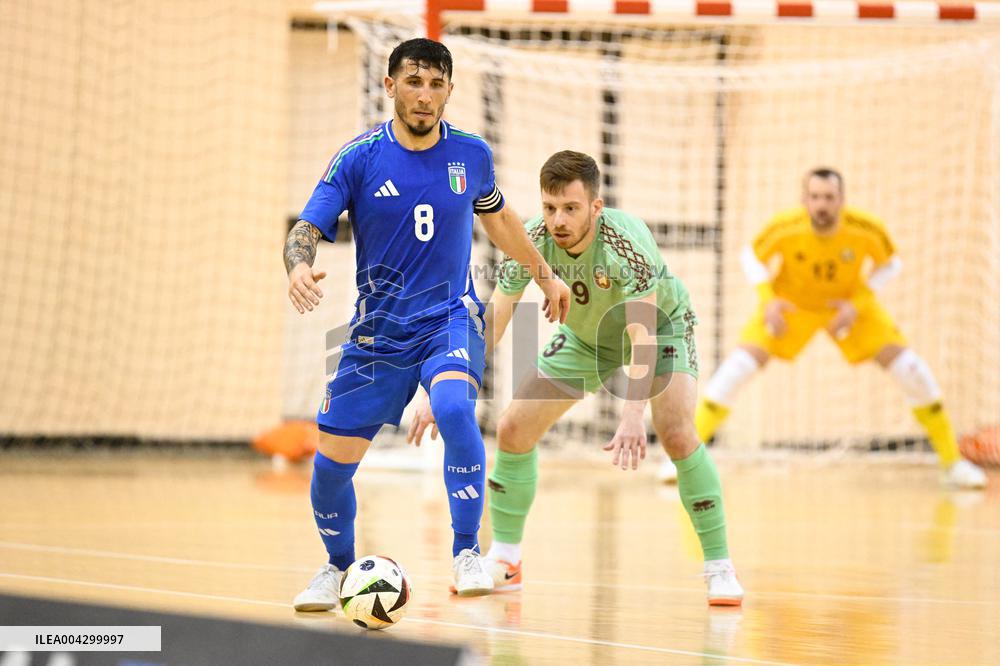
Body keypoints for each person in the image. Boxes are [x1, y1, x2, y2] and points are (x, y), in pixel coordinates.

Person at [284, 38, 571, 610]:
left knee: (457, 408)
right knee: (329, 468)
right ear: (390, 87)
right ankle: (338, 568)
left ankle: (468, 551)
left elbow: (502, 220)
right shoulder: (359, 157)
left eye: (436, 84)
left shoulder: (471, 155)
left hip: (449, 316)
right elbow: (307, 228)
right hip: (377, 334)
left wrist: (544, 274)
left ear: (449, 91)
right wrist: (298, 267)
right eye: (413, 82)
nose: (425, 95)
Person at [409, 150, 745, 606]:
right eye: (549, 207)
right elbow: (496, 320)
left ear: (595, 207)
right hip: (587, 339)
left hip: (660, 327)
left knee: (678, 433)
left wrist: (631, 415)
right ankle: (506, 561)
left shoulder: (626, 241)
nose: (558, 220)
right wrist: (443, 384)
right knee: (512, 429)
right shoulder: (529, 240)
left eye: (570, 208)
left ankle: (719, 568)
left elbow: (641, 331)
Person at [687, 167, 986, 489]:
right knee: (735, 370)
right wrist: (767, 300)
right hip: (792, 306)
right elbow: (751, 256)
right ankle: (686, 461)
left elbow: (891, 263)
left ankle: (952, 463)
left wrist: (858, 304)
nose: (822, 205)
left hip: (848, 308)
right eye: (815, 197)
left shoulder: (866, 229)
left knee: (913, 371)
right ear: (804, 199)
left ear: (841, 199)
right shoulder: (785, 227)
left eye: (829, 197)